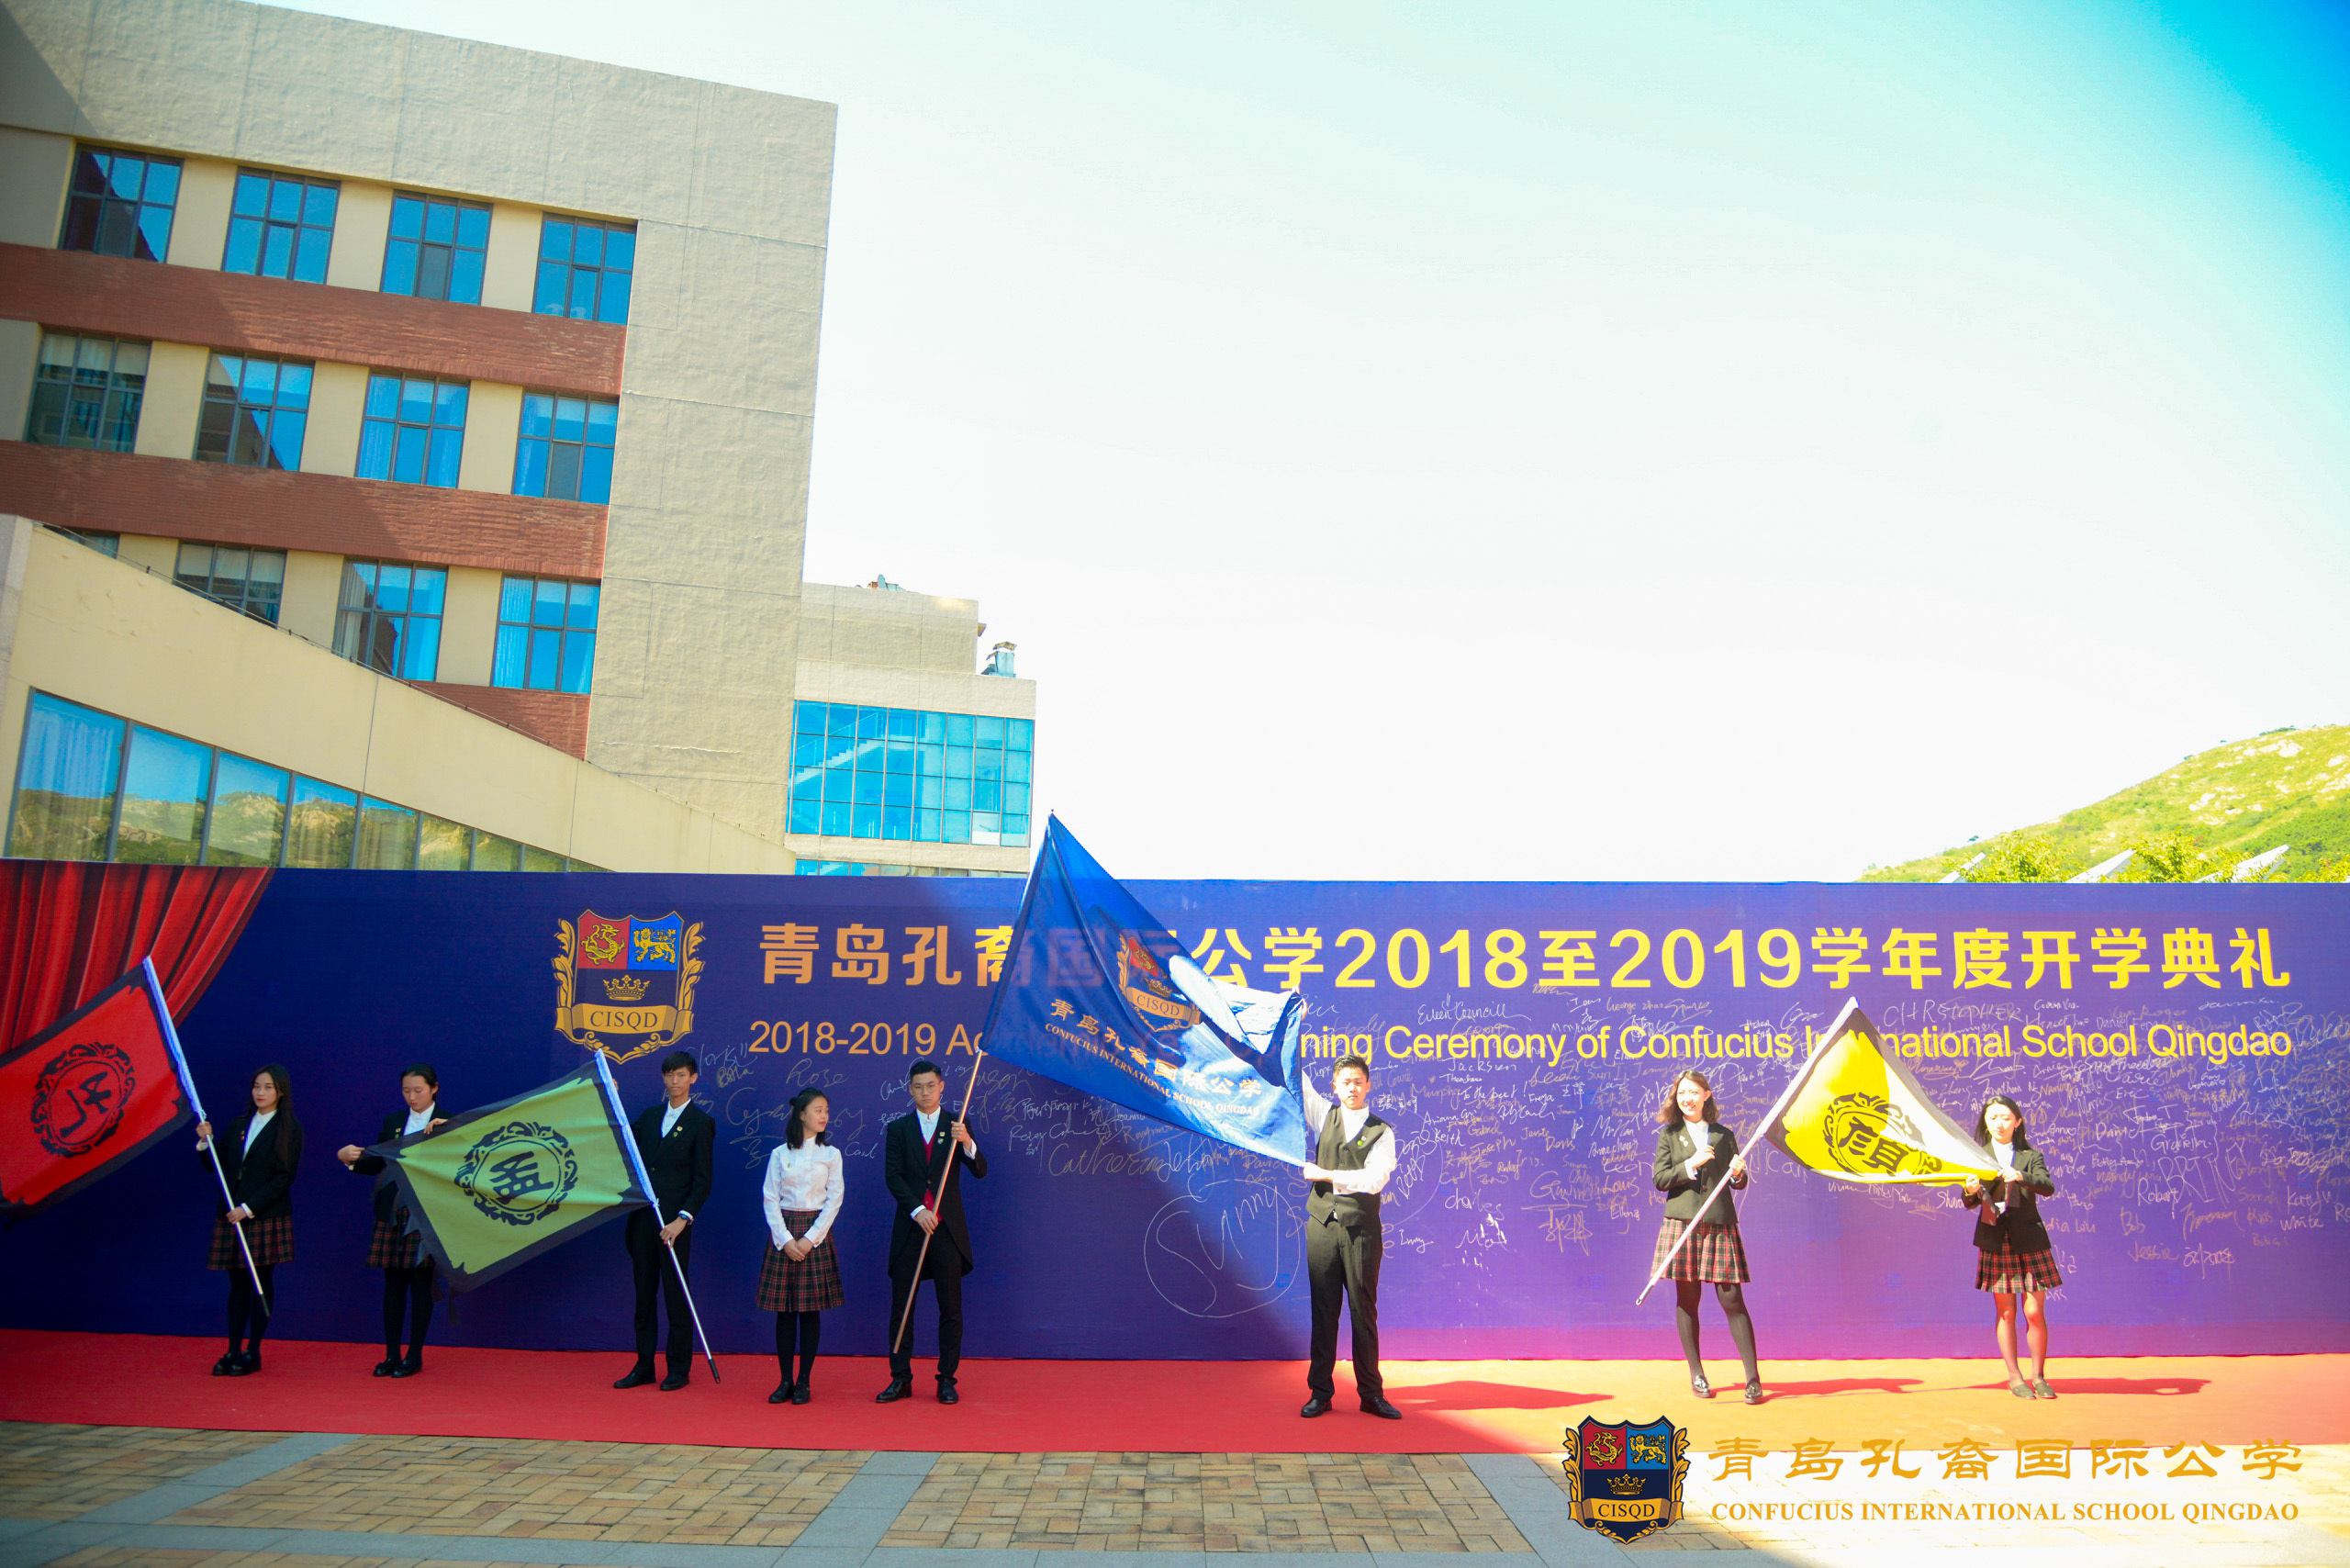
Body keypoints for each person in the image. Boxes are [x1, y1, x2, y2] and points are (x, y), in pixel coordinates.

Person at [877, 1058, 987, 1405]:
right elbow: (893, 1177)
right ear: (910, 1090)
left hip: (946, 1230)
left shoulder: (957, 1124)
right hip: (911, 1228)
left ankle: (947, 1379)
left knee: (950, 1308)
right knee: (902, 1307)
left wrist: (966, 1141)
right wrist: (918, 1210)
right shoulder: (898, 1129)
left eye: (931, 1086)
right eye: (918, 1087)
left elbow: (980, 1169)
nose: (925, 1092)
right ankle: (900, 1378)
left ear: (941, 1087)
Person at [1651, 1069, 1763, 1404]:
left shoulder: (1723, 1135)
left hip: (1719, 1222)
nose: (1687, 1099)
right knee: (1688, 1300)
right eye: (1682, 1093)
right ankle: (1697, 1374)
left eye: (1693, 1092)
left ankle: (1753, 1379)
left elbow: (1736, 1182)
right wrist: (1691, 1164)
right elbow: (1660, 1179)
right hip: (1682, 1223)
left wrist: (1739, 1175)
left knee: (1733, 1300)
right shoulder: (1669, 1135)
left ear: (1706, 1095)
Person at [1299, 1055, 1400, 1419]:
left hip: (1361, 1232)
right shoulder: (1323, 1116)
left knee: (1362, 1312)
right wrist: (1283, 1029)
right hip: (1322, 1226)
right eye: (1346, 1082)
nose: (1352, 1088)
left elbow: (1374, 1180)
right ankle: (1320, 1393)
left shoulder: (1381, 1132)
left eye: (1358, 1081)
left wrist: (1326, 1174)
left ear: (1368, 1085)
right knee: (1323, 1312)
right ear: (1335, 1087)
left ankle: (1371, 1394)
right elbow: (1297, 1079)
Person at [339, 1062, 448, 1378]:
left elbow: (464, 1166)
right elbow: (376, 1164)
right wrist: (349, 1159)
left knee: (421, 1286)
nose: (412, 1097)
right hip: (392, 1212)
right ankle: (391, 1355)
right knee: (393, 1286)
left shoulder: (450, 1122)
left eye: (418, 1090)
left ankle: (414, 1356)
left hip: (426, 1214)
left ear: (434, 1089)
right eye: (406, 1091)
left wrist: (452, 1132)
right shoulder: (393, 1122)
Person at [614, 1050, 714, 1392]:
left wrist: (682, 1219)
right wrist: (612, 1099)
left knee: (675, 1296)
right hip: (644, 1220)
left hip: (674, 1226)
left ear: (693, 1078)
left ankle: (678, 1369)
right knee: (643, 1297)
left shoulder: (701, 1122)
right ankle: (644, 1365)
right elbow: (624, 1139)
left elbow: (702, 1182)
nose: (675, 1081)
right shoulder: (651, 1115)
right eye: (670, 1075)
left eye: (681, 1075)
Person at [196, 1064, 302, 1377]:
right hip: (231, 1215)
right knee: (237, 1286)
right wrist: (205, 1143)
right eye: (257, 1086)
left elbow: (283, 1178)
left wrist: (248, 1208)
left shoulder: (289, 1129)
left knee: (260, 1283)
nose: (261, 1092)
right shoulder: (239, 1125)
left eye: (268, 1087)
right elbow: (217, 1165)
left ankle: (253, 1353)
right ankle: (232, 1350)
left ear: (280, 1092)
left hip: (263, 1216)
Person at [1962, 1093, 2062, 1399]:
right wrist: (1970, 1190)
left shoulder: (2030, 1156)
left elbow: (2047, 1187)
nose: (1999, 1123)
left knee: (2034, 1311)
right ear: (1985, 1122)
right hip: (1996, 1238)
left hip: (2029, 1238)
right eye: (1993, 1118)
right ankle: (2015, 1376)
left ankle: (2039, 1376)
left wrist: (2021, 1176)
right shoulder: (1976, 1156)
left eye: (2005, 1117)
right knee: (2006, 1312)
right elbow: (1968, 1202)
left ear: (2017, 1122)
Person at [758, 1087, 845, 1405]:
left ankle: (804, 1381)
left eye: (826, 1110)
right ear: (801, 1114)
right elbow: (770, 1198)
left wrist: (809, 1240)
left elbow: (834, 1201)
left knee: (809, 1312)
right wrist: (785, 1240)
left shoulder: (831, 1155)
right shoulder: (780, 1154)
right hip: (784, 1233)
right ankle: (785, 1380)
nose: (824, 1116)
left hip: (814, 1235)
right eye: (818, 1110)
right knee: (784, 1312)